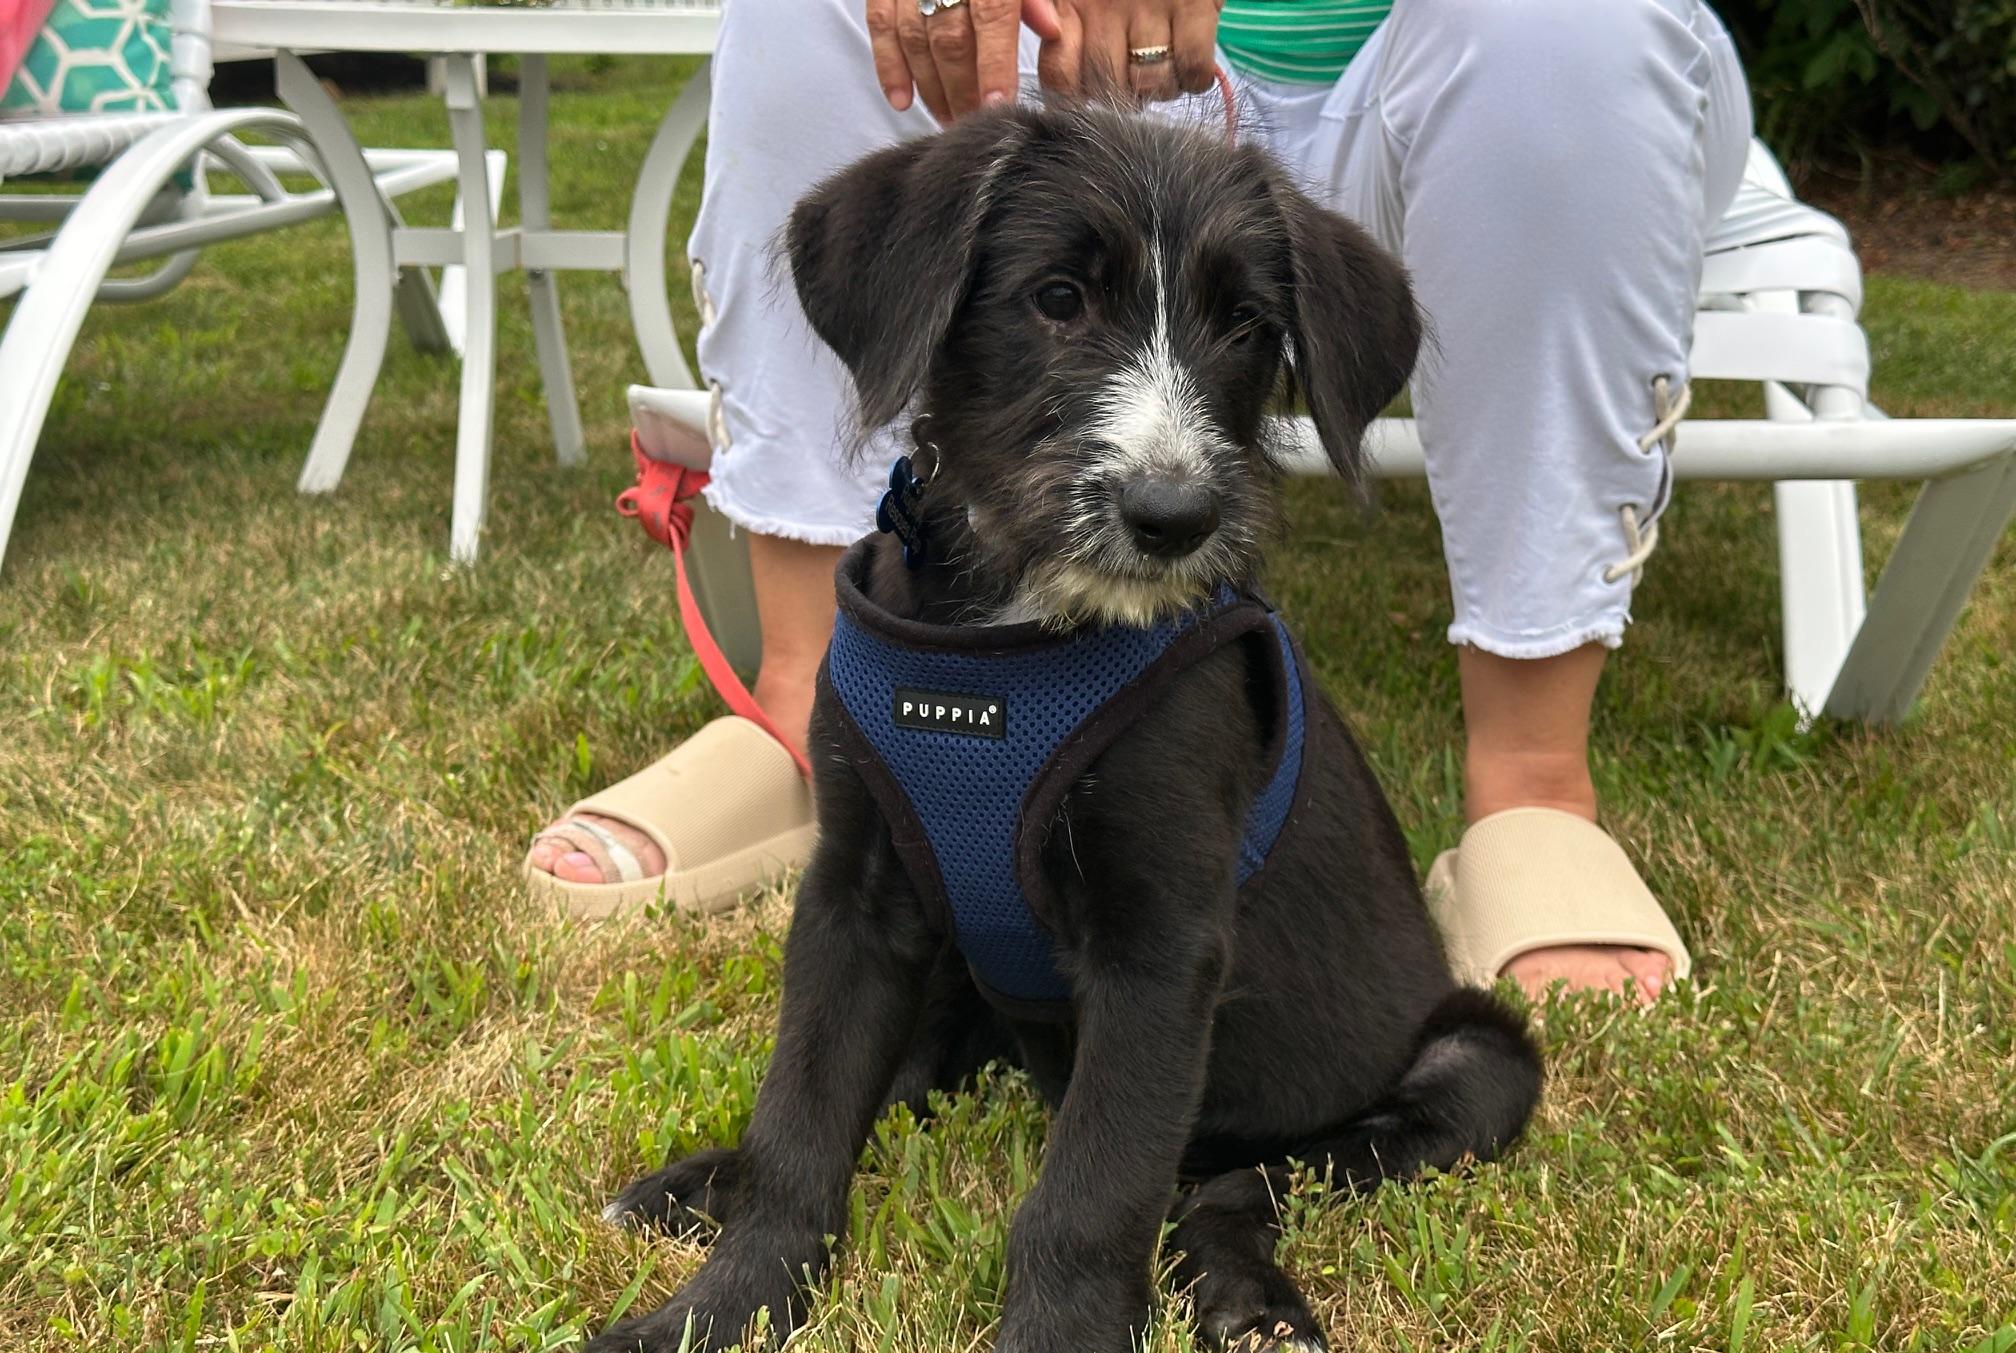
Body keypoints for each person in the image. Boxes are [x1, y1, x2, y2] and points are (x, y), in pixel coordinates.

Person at [525, 0, 1752, 1004]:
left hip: (1429, 77)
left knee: (1565, 26)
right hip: (1067, 52)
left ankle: (1532, 776)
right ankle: (807, 709)